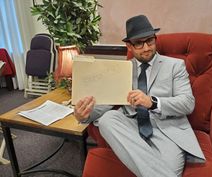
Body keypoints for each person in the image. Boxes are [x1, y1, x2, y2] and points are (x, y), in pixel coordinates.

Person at [74, 15, 205, 177]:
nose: (146, 48)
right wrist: (82, 115)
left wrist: (152, 102)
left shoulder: (175, 66)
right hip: (131, 127)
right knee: (108, 119)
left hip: (167, 130)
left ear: (155, 39)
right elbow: (105, 104)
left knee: (169, 170)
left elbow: (187, 103)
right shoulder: (120, 70)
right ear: (129, 46)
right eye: (139, 43)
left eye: (150, 41)